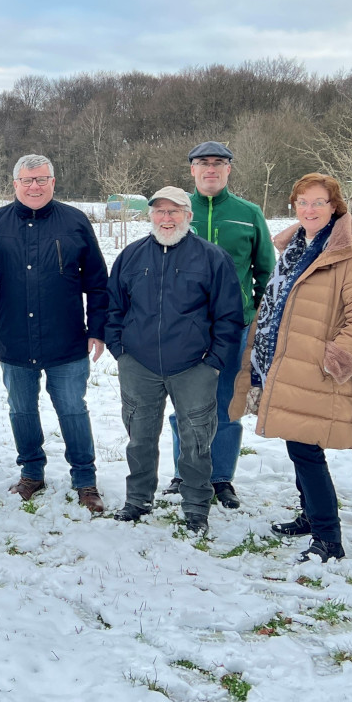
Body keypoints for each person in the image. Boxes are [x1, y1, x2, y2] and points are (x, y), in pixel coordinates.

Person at [229, 173, 352, 562]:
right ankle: (311, 516)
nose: (309, 209)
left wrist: (335, 361)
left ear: (335, 207)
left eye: (318, 202)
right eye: (302, 202)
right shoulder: (298, 245)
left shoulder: (351, 253)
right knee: (297, 442)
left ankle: (328, 537)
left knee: (305, 448)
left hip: (315, 368)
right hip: (281, 361)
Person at [104, 186, 243, 534]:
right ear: (150, 215)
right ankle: (137, 500)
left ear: (188, 215)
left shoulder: (212, 258)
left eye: (174, 211)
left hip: (194, 365)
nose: (167, 218)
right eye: (160, 212)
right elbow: (114, 308)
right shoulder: (132, 256)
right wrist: (120, 350)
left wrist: (214, 361)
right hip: (139, 364)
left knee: (196, 440)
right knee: (139, 437)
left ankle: (196, 506)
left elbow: (230, 315)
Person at [0, 154, 108, 512]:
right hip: (14, 337)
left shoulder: (75, 222)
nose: (35, 186)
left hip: (66, 338)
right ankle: (31, 473)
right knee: (21, 409)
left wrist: (98, 329)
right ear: (15, 183)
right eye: (28, 180)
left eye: (42, 179)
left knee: (72, 409)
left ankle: (85, 479)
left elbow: (98, 283)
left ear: (53, 181)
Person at [164, 141, 274, 509]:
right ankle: (183, 473)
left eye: (218, 163)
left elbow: (265, 273)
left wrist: (255, 320)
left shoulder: (248, 213)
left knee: (226, 404)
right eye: (202, 163)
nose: (210, 169)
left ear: (229, 170)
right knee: (186, 406)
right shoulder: (176, 211)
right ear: (192, 170)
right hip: (184, 330)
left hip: (233, 330)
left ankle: (221, 478)